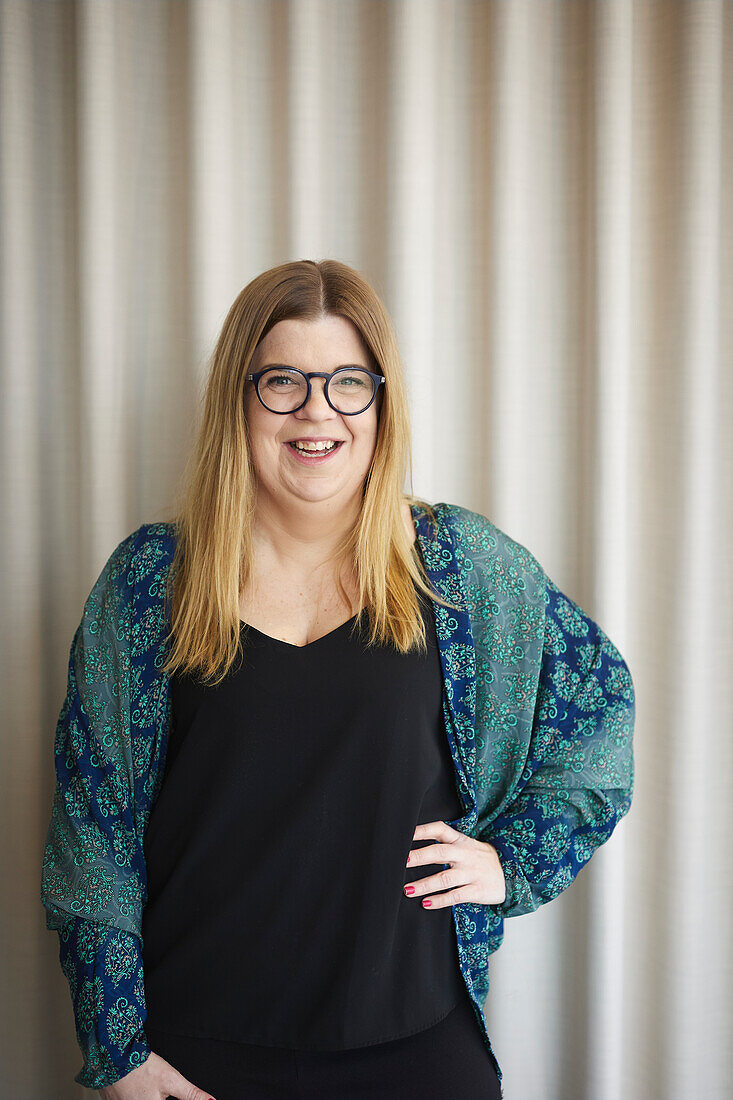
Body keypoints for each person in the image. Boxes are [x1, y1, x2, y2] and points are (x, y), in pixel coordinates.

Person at [40, 259, 635, 1099]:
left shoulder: (461, 569)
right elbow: (90, 825)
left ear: (381, 404)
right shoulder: (150, 581)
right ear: (238, 400)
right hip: (197, 1058)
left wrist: (513, 859)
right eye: (283, 380)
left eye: (348, 382)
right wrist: (120, 1054)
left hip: (417, 1048)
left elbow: (600, 707)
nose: (316, 410)